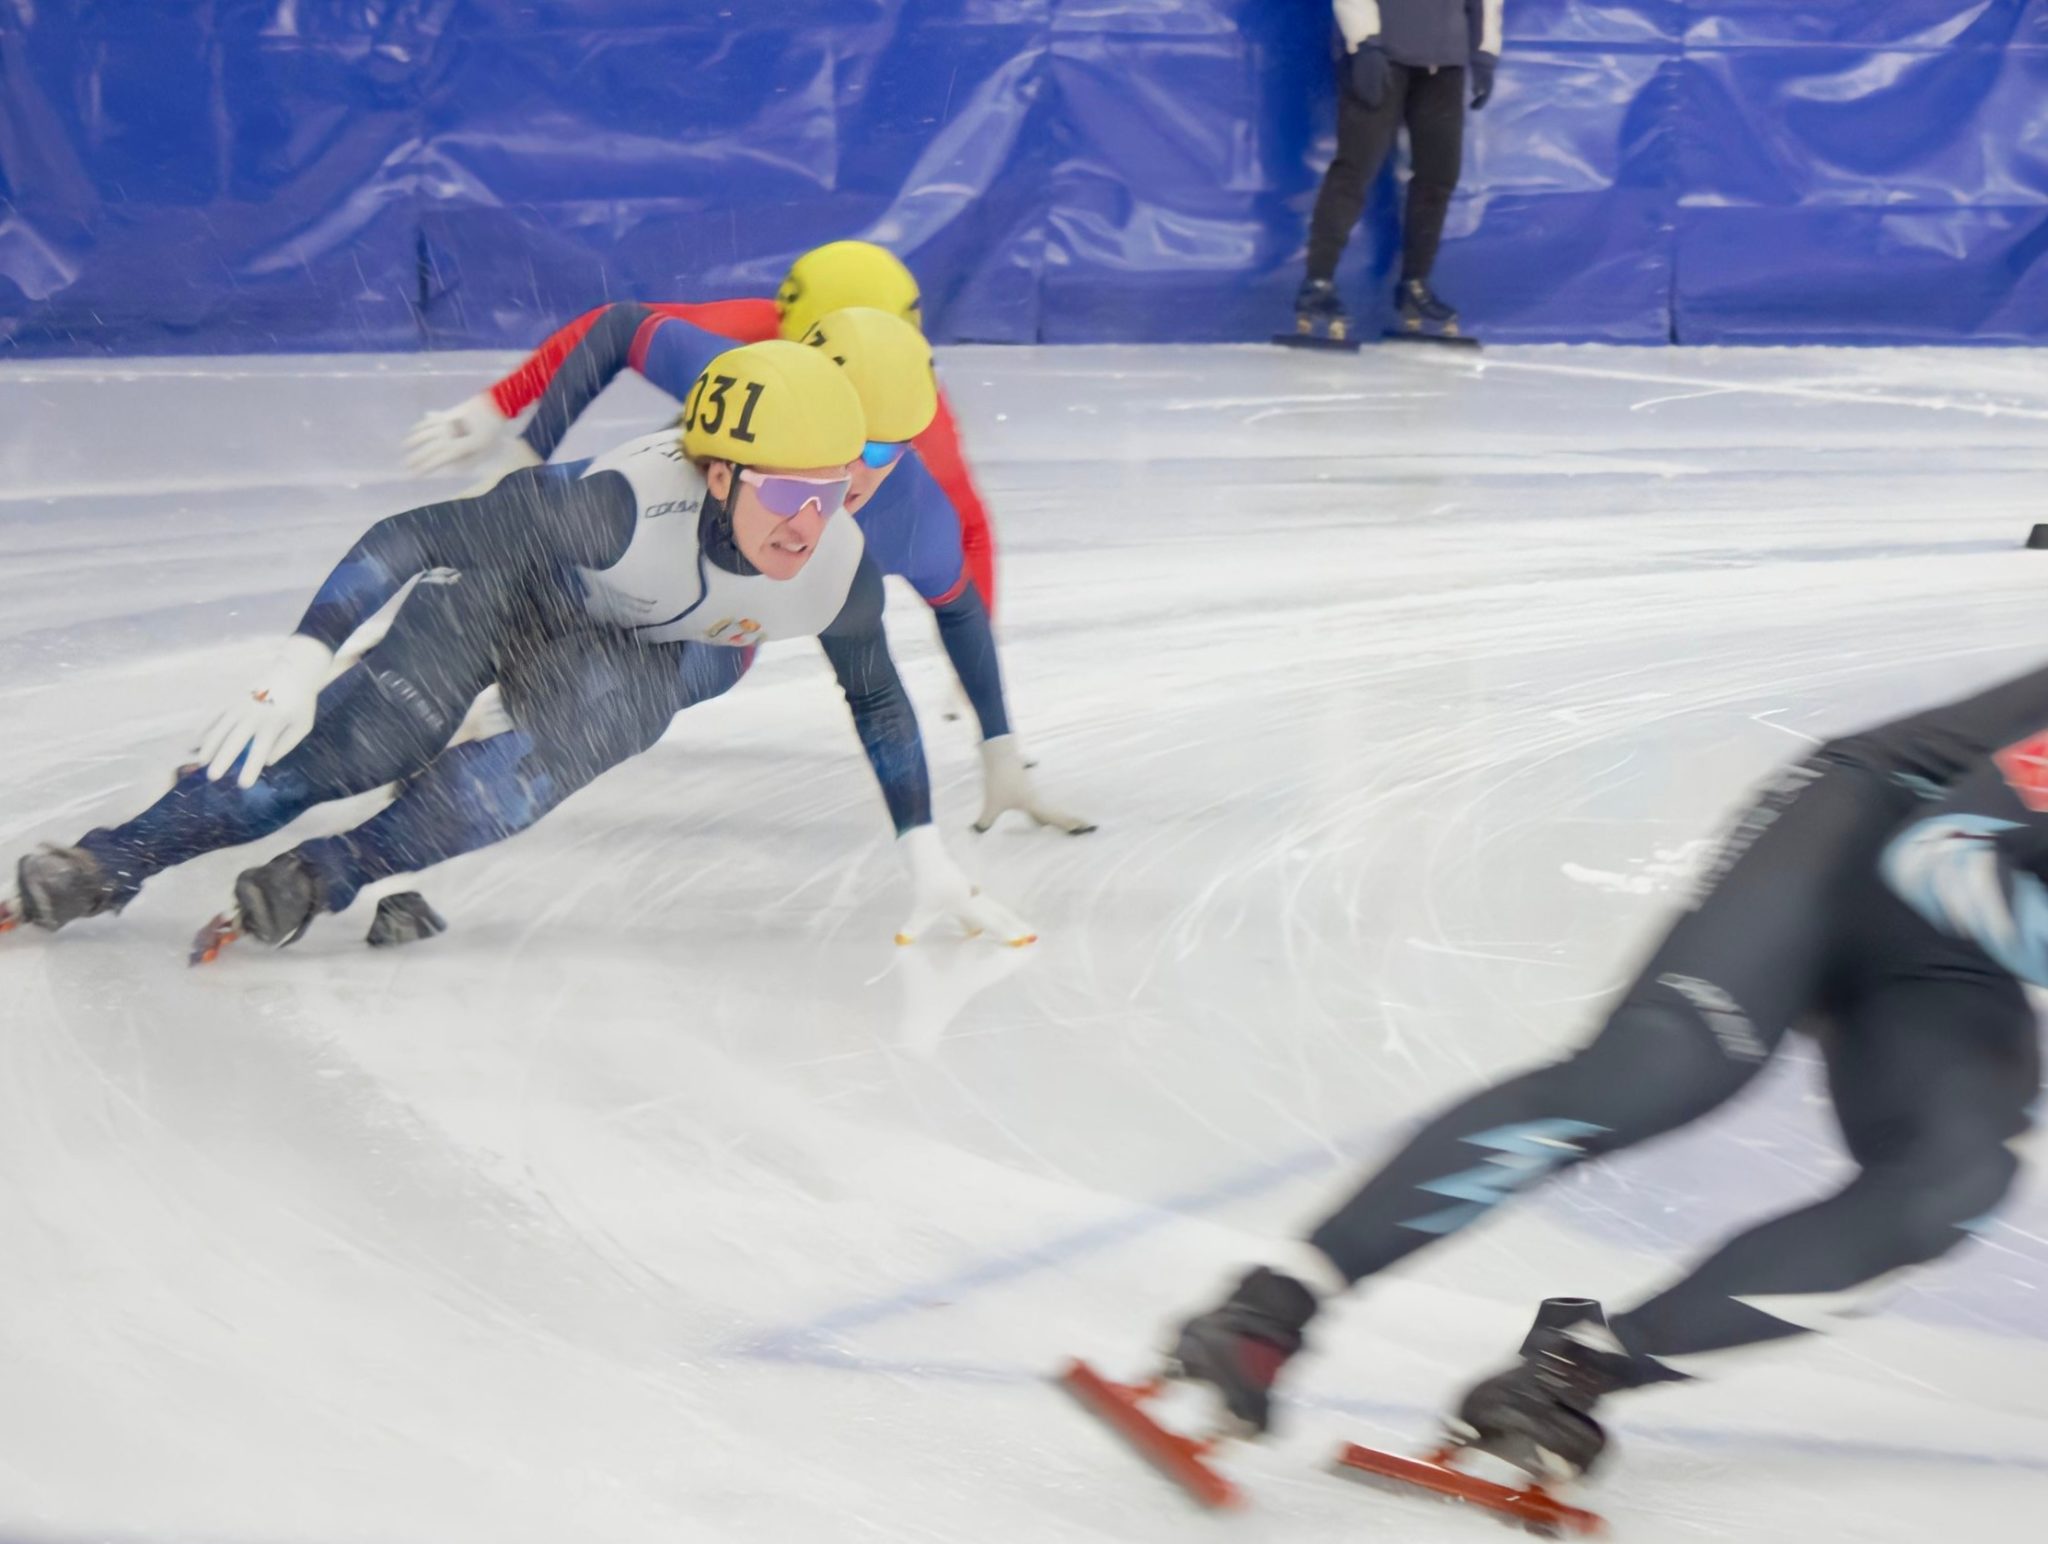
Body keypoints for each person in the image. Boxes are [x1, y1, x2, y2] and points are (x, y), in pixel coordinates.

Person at [1111, 662, 2048, 1491]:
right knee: (1660, 1071)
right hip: (1858, 833)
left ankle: (1577, 1372)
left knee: (1954, 1176)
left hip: (1953, 949)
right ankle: (1270, 1307)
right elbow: (1941, 855)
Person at [1, 342, 1030, 955]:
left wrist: (922, 852)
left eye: (834, 488)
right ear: (718, 476)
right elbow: (413, 537)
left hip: (622, 645)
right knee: (348, 754)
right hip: (512, 585)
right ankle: (110, 863)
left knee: (556, 757)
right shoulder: (619, 511)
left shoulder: (834, 569)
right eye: (786, 493)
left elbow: (879, 701)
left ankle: (329, 874)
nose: (810, 521)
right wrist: (303, 656)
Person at [397, 241, 1087, 837]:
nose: (842, 460)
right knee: (603, 604)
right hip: (699, 500)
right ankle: (466, 698)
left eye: (869, 450)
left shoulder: (913, 454)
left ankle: (490, 707)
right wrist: (508, 420)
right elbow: (614, 329)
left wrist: (517, 433)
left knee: (678, 644)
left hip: (735, 546)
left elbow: (960, 553)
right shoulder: (758, 345)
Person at [1292, 1, 1503, 343]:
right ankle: (1318, 283)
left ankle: (1414, 286)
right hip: (1380, 52)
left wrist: (1484, 53)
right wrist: (1364, 42)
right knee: (1356, 167)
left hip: (1445, 61)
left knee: (1438, 176)